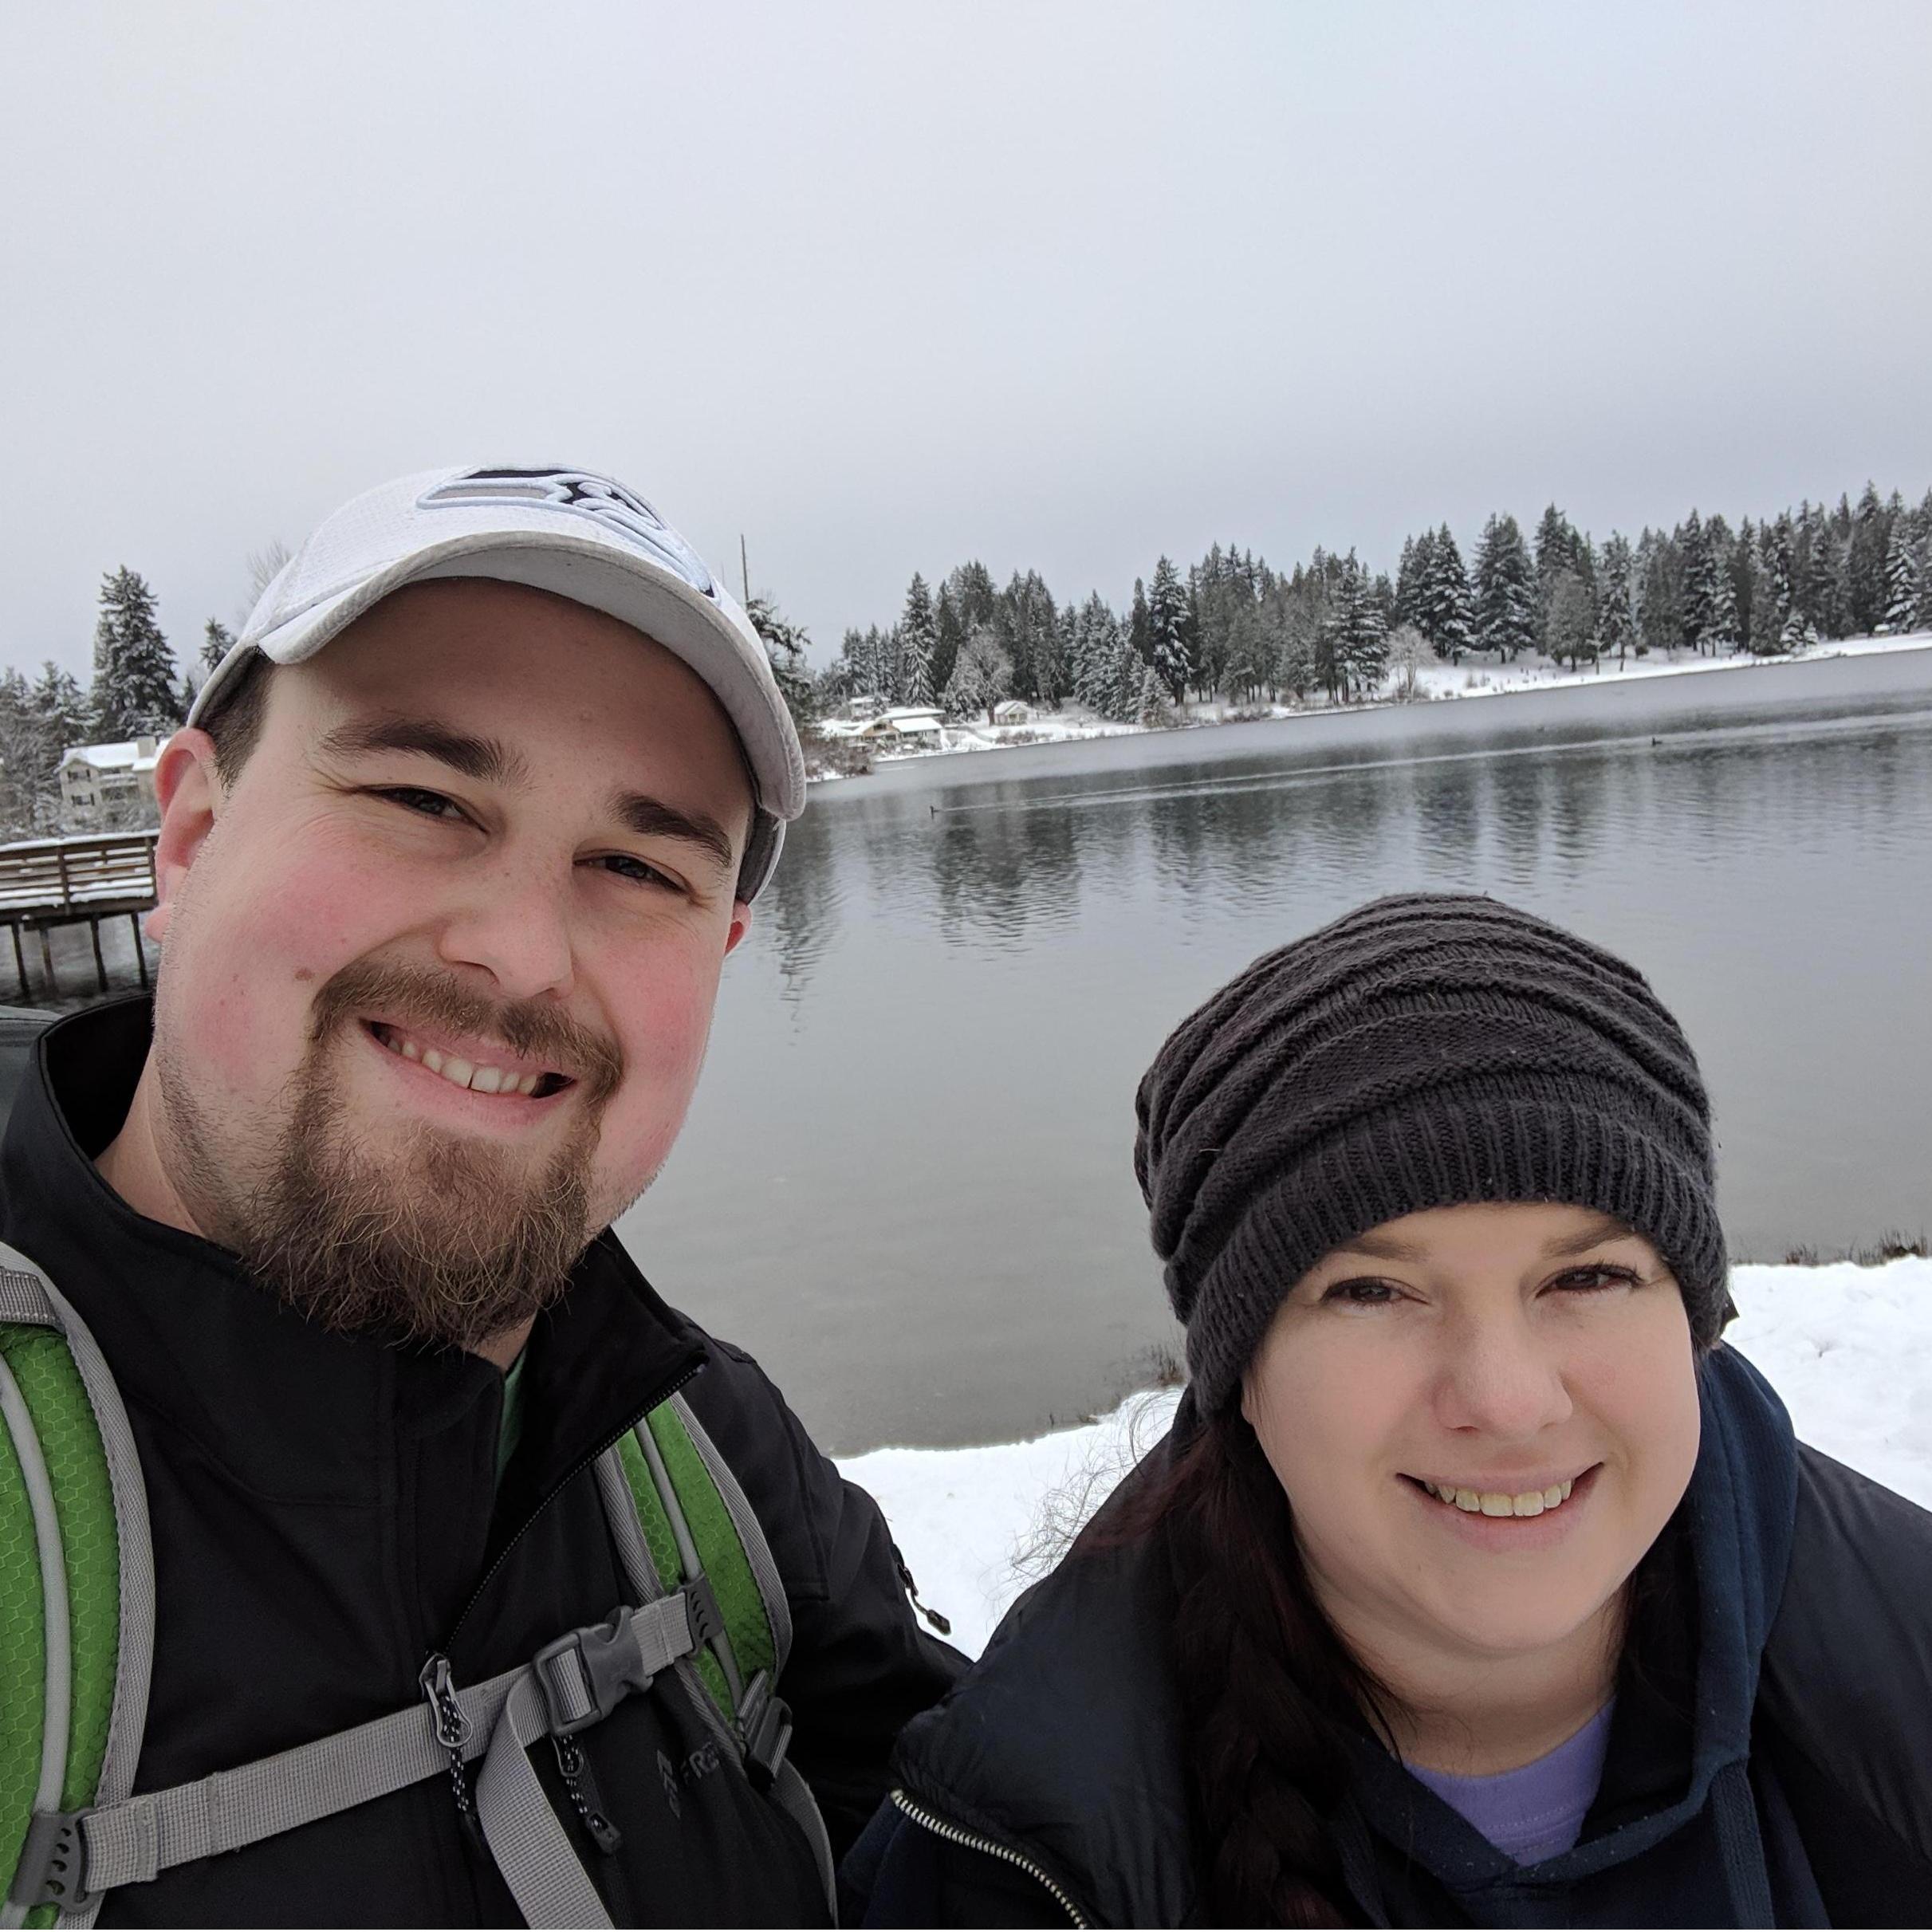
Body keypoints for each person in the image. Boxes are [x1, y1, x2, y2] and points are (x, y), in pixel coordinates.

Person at [0, 466, 960, 1924]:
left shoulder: (701, 1465)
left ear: (723, 949)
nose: (521, 953)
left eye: (637, 866)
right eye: (423, 796)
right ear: (190, 836)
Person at [846, 894, 1932, 1926]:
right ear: (1242, 1378)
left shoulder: (1901, 1662)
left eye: (1588, 1278)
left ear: (1694, 1320)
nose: (1506, 1401)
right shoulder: (1016, 1856)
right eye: (1373, 1291)